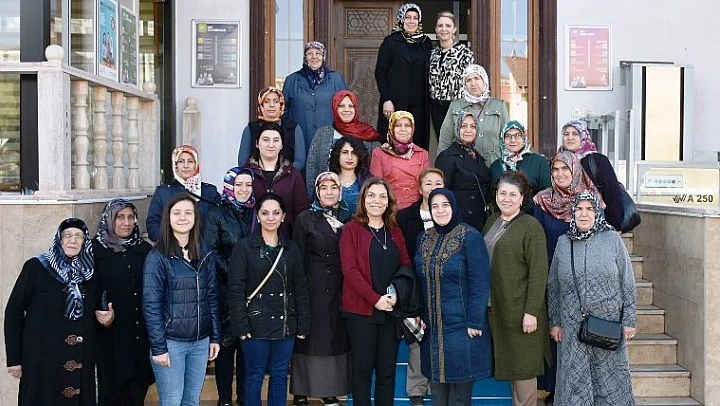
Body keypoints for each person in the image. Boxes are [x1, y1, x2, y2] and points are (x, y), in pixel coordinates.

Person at [548, 192, 636, 405]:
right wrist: (555, 321)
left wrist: (629, 319)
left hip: (608, 324)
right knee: (575, 380)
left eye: (589, 209)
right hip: (572, 325)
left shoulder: (612, 239)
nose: (584, 214)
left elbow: (627, 280)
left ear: (597, 213)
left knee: (609, 381)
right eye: (579, 209)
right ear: (572, 213)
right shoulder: (563, 242)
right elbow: (554, 286)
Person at [532, 151, 604, 402]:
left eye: (565, 169)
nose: (560, 174)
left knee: (585, 335)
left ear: (575, 170)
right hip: (553, 278)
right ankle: (556, 389)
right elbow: (537, 240)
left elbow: (601, 238)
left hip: (585, 279)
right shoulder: (542, 200)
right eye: (555, 169)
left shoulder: (590, 200)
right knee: (557, 333)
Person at [227, 193, 310, 406]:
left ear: (283, 216)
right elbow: (235, 289)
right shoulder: (244, 247)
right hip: (255, 323)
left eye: (276, 213)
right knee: (254, 375)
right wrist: (240, 325)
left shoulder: (291, 248)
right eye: (265, 213)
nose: (271, 217)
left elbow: (300, 288)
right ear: (258, 216)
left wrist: (303, 323)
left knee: (280, 374)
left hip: (285, 323)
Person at [5, 218, 97, 405]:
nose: (72, 240)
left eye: (78, 236)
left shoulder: (90, 273)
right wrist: (14, 359)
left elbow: (94, 314)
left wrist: (106, 320)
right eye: (67, 235)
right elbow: (14, 312)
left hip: (77, 358)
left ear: (85, 241)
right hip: (41, 359)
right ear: (59, 239)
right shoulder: (36, 267)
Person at [415, 188, 492, 406]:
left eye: (445, 205)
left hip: (462, 326)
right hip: (433, 327)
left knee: (459, 394)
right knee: (437, 391)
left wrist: (475, 321)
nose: (440, 210)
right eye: (435, 206)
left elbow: (480, 282)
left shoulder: (470, 236)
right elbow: (419, 280)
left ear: (454, 206)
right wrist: (419, 314)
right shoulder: (423, 238)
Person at [339, 177, 413, 406]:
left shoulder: (395, 231)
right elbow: (350, 271)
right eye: (371, 195)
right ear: (363, 199)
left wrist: (396, 294)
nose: (376, 201)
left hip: (390, 312)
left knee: (387, 373)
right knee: (362, 372)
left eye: (382, 196)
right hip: (360, 313)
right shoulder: (351, 229)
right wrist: (375, 299)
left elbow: (406, 265)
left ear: (388, 201)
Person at [143, 193, 221, 406]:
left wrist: (215, 337)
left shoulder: (204, 252)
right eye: (176, 213)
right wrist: (159, 347)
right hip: (171, 343)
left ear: (196, 218)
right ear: (167, 218)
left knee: (191, 401)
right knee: (172, 401)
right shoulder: (158, 257)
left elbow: (212, 296)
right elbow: (151, 305)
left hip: (200, 341)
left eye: (188, 212)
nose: (183, 217)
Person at [483, 172, 551, 406]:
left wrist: (531, 312)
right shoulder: (492, 221)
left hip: (521, 311)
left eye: (513, 194)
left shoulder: (530, 226)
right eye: (503, 193)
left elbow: (539, 273)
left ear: (522, 198)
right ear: (496, 195)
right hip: (495, 307)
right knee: (509, 367)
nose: (507, 198)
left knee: (523, 369)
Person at [291, 173, 353, 406]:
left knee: (332, 340)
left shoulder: (349, 218)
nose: (329, 192)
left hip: (338, 288)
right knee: (308, 340)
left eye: (333, 187)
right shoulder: (305, 218)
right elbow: (297, 257)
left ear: (340, 191)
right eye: (324, 187)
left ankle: (329, 390)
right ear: (316, 191)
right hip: (312, 288)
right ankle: (301, 391)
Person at [203, 167, 257, 406]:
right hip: (225, 290)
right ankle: (224, 398)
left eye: (248, 185)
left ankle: (244, 397)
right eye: (239, 185)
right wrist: (235, 273)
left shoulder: (256, 212)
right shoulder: (217, 214)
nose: (244, 190)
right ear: (229, 186)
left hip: (253, 291)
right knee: (226, 346)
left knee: (247, 347)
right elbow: (210, 251)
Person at [93, 200, 154, 406]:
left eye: (130, 217)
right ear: (109, 219)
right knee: (112, 394)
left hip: (140, 336)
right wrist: (100, 314)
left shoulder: (144, 249)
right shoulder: (95, 251)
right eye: (120, 217)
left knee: (136, 391)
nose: (126, 223)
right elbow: (87, 291)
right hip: (111, 338)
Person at [396, 167, 445, 406]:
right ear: (419, 188)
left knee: (438, 337)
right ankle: (416, 389)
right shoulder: (405, 217)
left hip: (442, 286)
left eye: (438, 183)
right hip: (414, 286)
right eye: (428, 183)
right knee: (417, 336)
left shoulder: (448, 214)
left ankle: (438, 386)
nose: (433, 187)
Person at [375, 3, 432, 150]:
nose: (411, 21)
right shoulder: (391, 41)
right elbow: (380, 72)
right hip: (396, 102)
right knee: (394, 142)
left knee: (417, 144)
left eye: (415, 18)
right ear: (402, 19)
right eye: (408, 17)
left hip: (420, 104)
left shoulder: (426, 42)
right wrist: (386, 99)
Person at [305, 89, 381, 200]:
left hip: (361, 199)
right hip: (326, 198)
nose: (346, 110)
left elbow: (376, 168)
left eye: (351, 106)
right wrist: (314, 198)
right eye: (341, 106)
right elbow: (311, 167)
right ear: (335, 108)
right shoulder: (322, 134)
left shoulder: (367, 134)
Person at [558, 120, 626, 231]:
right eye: (566, 134)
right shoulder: (557, 161)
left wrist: (615, 227)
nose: (570, 138)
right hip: (564, 225)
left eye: (575, 134)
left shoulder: (597, 161)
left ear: (583, 136)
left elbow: (612, 194)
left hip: (595, 224)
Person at [242, 122, 308, 236]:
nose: (271, 145)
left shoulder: (293, 175)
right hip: (250, 240)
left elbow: (301, 213)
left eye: (276, 140)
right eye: (266, 140)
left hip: (286, 240)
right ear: (257, 143)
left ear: (282, 145)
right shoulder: (245, 173)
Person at [283, 41, 348, 153]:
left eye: (318, 53)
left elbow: (346, 108)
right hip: (300, 139)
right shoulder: (292, 80)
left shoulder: (336, 79)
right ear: (305, 57)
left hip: (330, 138)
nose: (314, 57)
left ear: (323, 57)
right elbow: (284, 110)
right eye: (310, 53)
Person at [146, 144, 221, 241]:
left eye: (190, 161)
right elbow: (153, 223)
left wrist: (207, 245)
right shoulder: (163, 192)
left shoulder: (209, 191)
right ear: (176, 165)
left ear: (196, 165)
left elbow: (219, 222)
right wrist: (170, 242)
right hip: (171, 247)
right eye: (181, 161)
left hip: (203, 247)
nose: (186, 166)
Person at [438, 64, 509, 164]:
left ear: (484, 80)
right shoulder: (455, 106)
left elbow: (508, 138)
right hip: (464, 164)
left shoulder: (498, 105)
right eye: (468, 80)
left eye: (477, 78)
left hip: (494, 162)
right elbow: (445, 140)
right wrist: (442, 165)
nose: (473, 83)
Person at [435, 111, 492, 232]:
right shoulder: (447, 157)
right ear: (457, 129)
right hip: (459, 222)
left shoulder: (479, 158)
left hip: (479, 221)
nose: (468, 130)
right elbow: (441, 193)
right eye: (464, 126)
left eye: (473, 126)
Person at [370, 111, 430, 210]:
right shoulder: (379, 153)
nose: (403, 129)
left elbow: (426, 187)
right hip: (390, 210)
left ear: (412, 129)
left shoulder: (422, 154)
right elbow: (377, 187)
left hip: (415, 210)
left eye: (407, 125)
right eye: (398, 125)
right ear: (391, 128)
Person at [428, 11, 474, 138]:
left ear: (454, 29)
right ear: (436, 30)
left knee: (457, 141)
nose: (444, 29)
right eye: (440, 26)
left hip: (456, 106)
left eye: (448, 26)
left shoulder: (464, 53)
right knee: (442, 141)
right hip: (436, 107)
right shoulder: (433, 54)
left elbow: (471, 82)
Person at [237, 87, 306, 170]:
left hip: (288, 176)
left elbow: (300, 161)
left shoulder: (294, 129)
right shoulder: (250, 129)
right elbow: (242, 162)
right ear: (261, 105)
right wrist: (261, 174)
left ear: (281, 104)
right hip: (256, 176)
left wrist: (284, 174)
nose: (272, 105)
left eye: (276, 101)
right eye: (267, 101)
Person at [490, 120, 551, 214]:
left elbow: (546, 193)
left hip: (532, 217)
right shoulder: (496, 166)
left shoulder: (539, 162)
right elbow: (492, 196)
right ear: (503, 139)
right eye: (508, 136)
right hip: (503, 218)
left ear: (524, 138)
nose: (513, 140)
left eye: (517, 135)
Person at [328, 136, 372, 214]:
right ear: (338, 154)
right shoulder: (327, 180)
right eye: (345, 152)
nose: (350, 157)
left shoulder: (368, 181)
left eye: (354, 153)